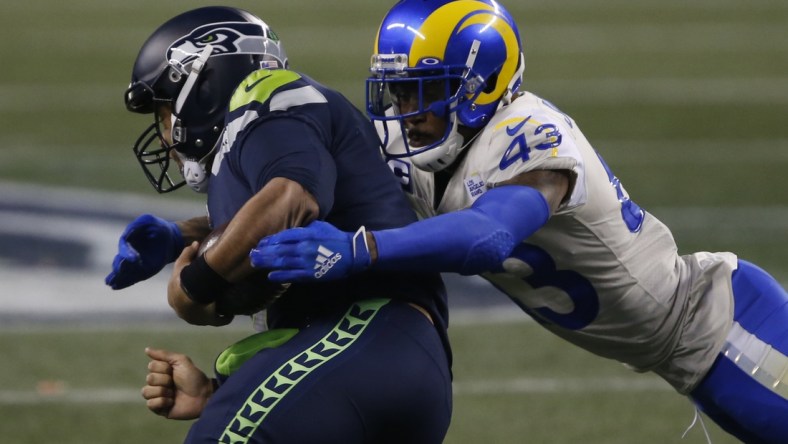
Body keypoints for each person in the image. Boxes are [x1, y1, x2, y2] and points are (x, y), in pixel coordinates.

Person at [249, 0, 788, 442]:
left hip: (722, 327)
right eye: (398, 90)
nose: (407, 110)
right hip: (684, 356)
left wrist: (361, 248)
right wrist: (188, 236)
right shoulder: (414, 144)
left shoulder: (531, 133)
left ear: (480, 85)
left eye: (426, 90)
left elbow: (488, 235)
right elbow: (307, 201)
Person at [106, 6, 452, 443]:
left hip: (368, 330)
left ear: (201, 84)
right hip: (375, 356)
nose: (164, 134)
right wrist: (183, 237)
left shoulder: (266, 94)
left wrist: (193, 289)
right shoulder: (269, 131)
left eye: (164, 111)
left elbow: (292, 198)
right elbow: (283, 215)